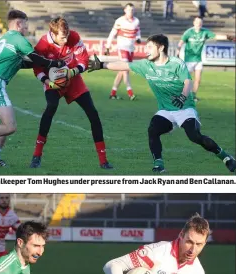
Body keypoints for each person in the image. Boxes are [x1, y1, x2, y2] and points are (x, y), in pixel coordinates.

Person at [88, 34, 236, 173]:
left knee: (194, 136)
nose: (147, 51)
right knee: (153, 129)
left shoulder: (176, 63)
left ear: (161, 48)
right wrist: (101, 65)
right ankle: (159, 163)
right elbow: (125, 65)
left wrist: (183, 97)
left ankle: (225, 156)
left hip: (184, 108)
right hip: (166, 110)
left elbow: (187, 81)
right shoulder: (146, 65)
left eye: (150, 47)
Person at [0, 9, 67, 167]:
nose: (26, 29)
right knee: (10, 126)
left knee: (5, 124)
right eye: (25, 26)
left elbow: (22, 63)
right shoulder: (18, 38)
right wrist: (54, 64)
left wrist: (46, 64)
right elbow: (35, 58)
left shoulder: (6, 38)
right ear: (18, 24)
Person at [31, 17, 113, 169]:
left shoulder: (74, 37)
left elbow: (84, 60)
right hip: (53, 83)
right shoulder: (43, 45)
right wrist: (49, 82)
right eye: (63, 37)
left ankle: (103, 161)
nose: (66, 39)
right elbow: (37, 68)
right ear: (53, 34)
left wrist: (72, 72)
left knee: (93, 114)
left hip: (74, 80)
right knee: (51, 107)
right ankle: (36, 156)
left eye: (67, 35)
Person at [176, 17, 234, 102]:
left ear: (201, 24)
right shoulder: (189, 32)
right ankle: (181, 95)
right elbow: (181, 42)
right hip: (189, 59)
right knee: (187, 80)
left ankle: (193, 96)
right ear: (194, 23)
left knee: (198, 80)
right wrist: (178, 52)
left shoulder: (204, 32)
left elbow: (216, 36)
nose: (199, 24)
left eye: (200, 22)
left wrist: (228, 37)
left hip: (198, 60)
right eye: (197, 22)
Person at [105, 3, 141, 100]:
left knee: (121, 71)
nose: (131, 12)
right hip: (122, 48)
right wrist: (107, 46)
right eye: (129, 10)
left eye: (132, 10)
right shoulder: (120, 21)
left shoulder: (136, 21)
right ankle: (130, 93)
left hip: (131, 49)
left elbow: (138, 31)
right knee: (125, 70)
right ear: (125, 10)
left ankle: (113, 93)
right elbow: (112, 33)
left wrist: (138, 38)